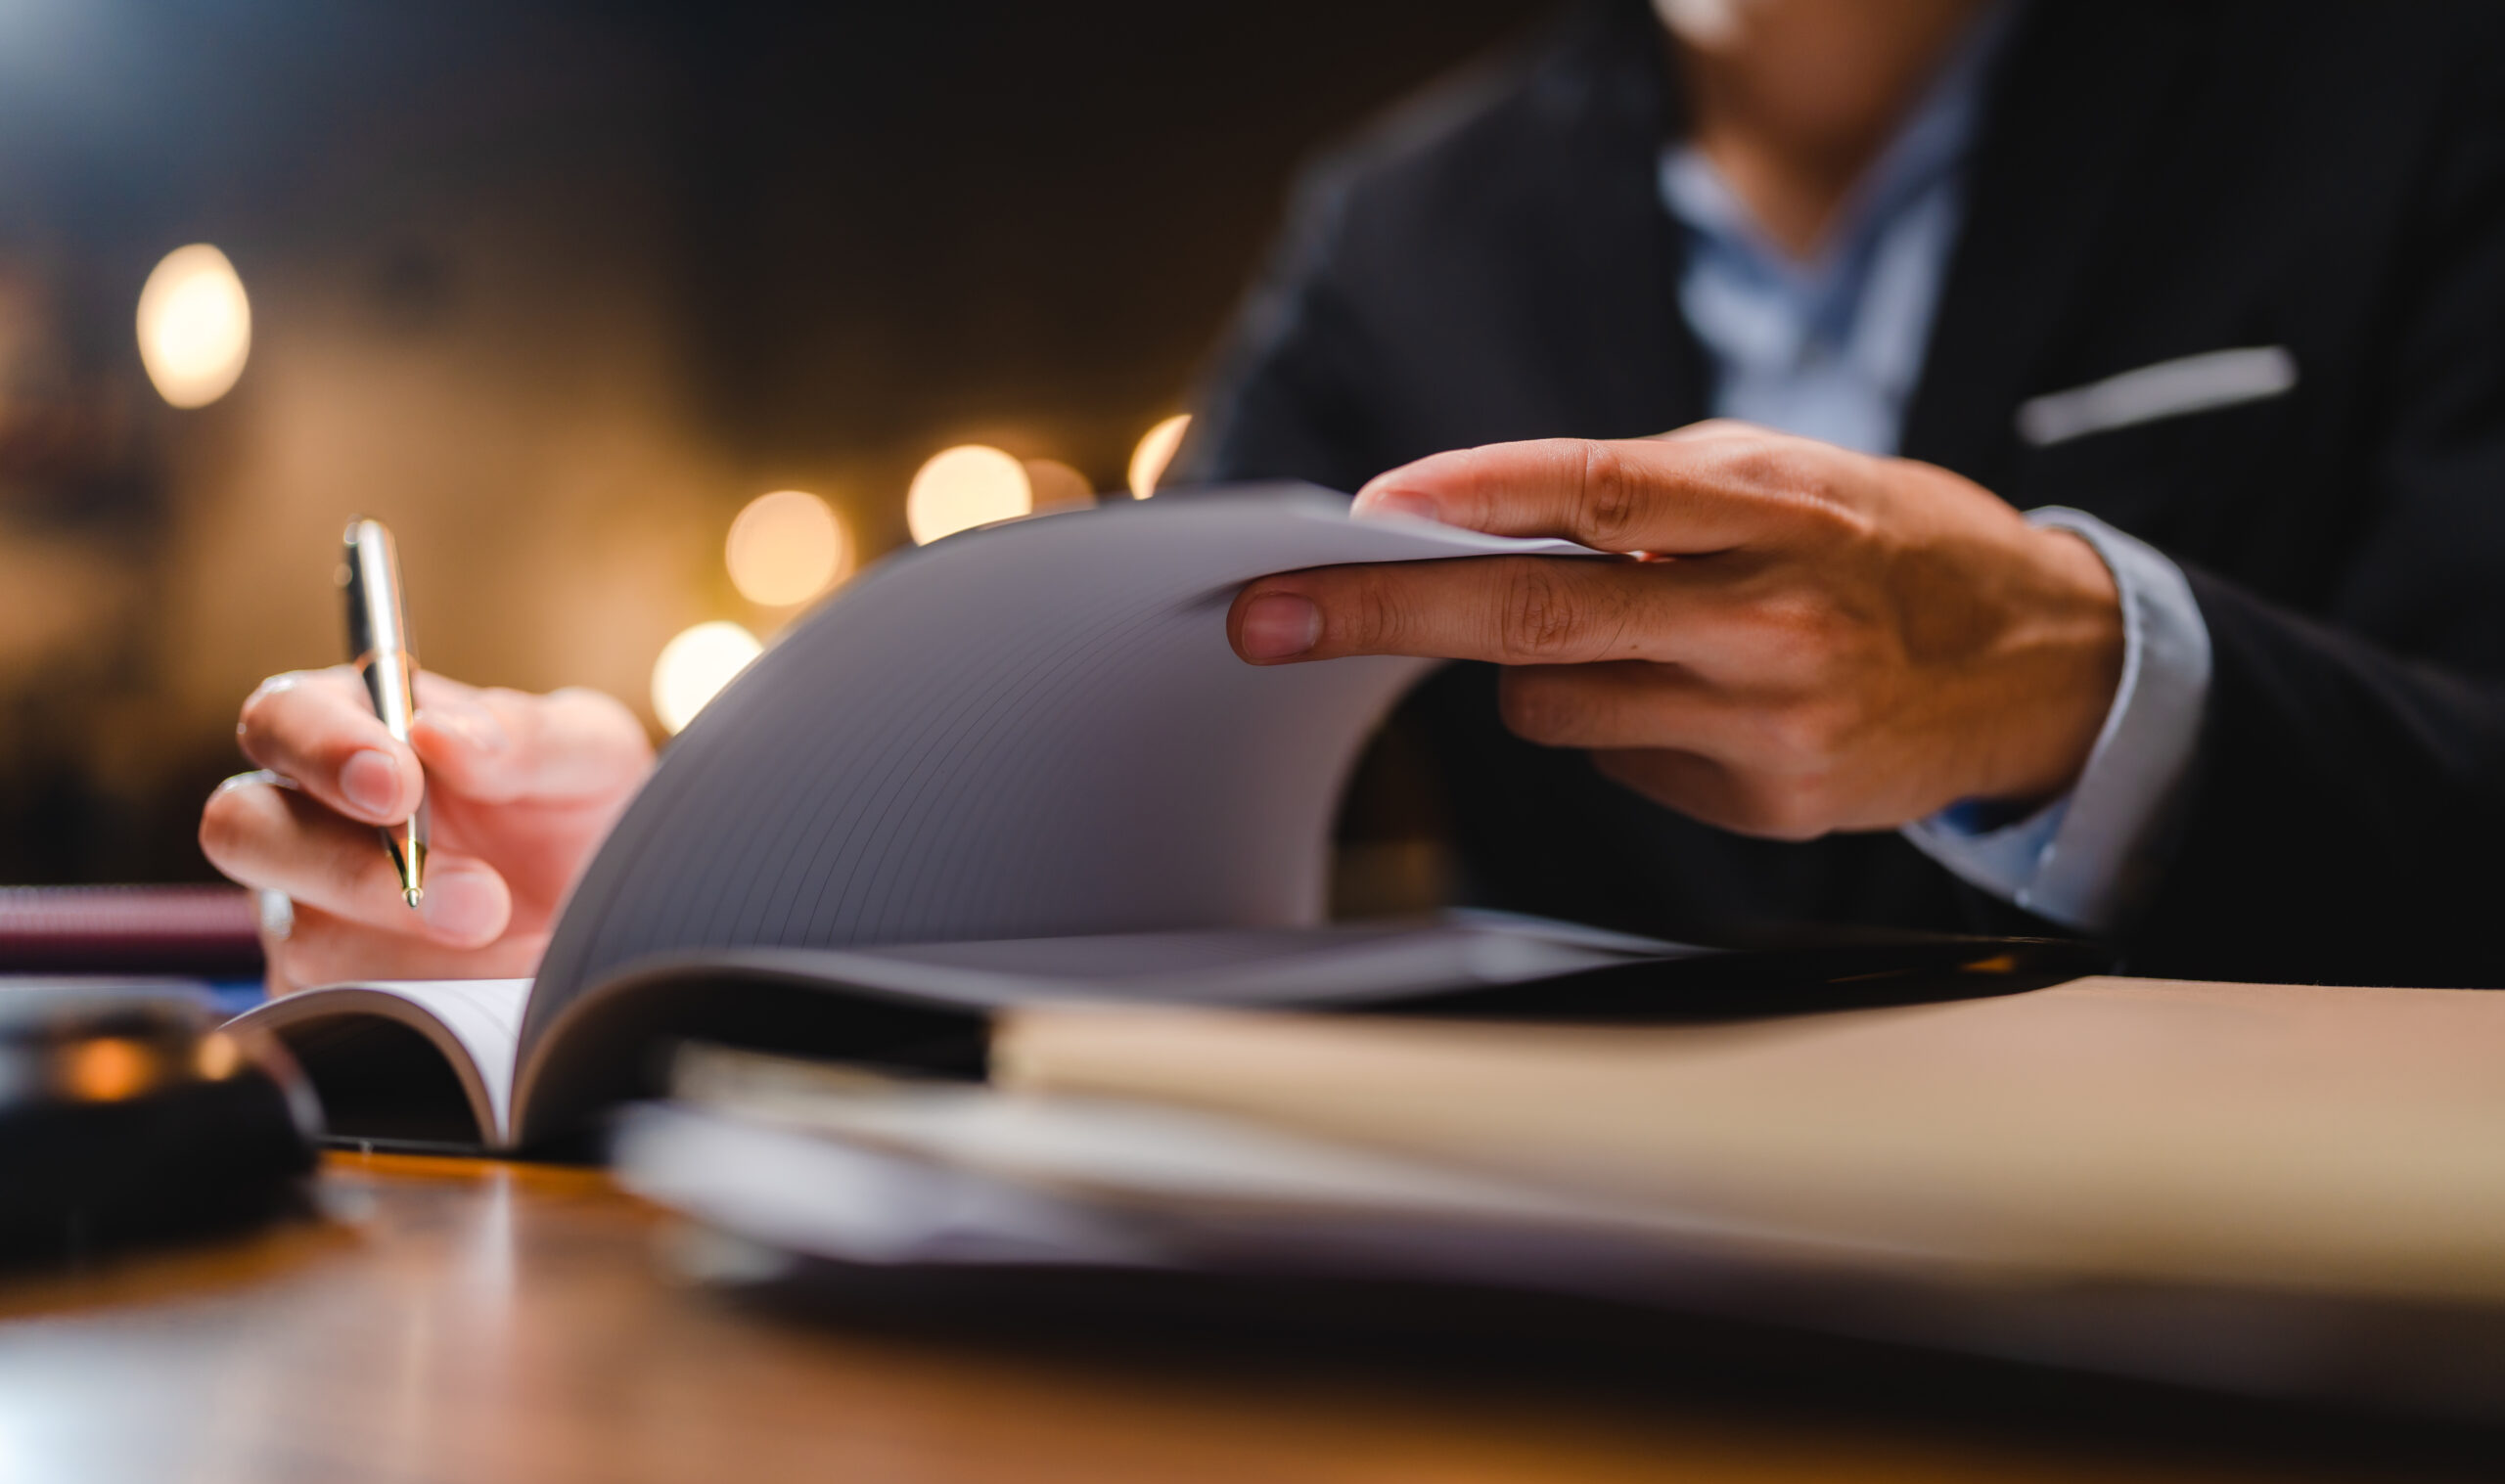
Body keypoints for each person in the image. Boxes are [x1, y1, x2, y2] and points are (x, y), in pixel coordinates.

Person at [205, 0, 2505, 991]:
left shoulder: (2404, 83)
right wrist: (682, 874)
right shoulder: (1404, 227)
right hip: (1591, 1331)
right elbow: (1107, 742)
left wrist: (2088, 676)